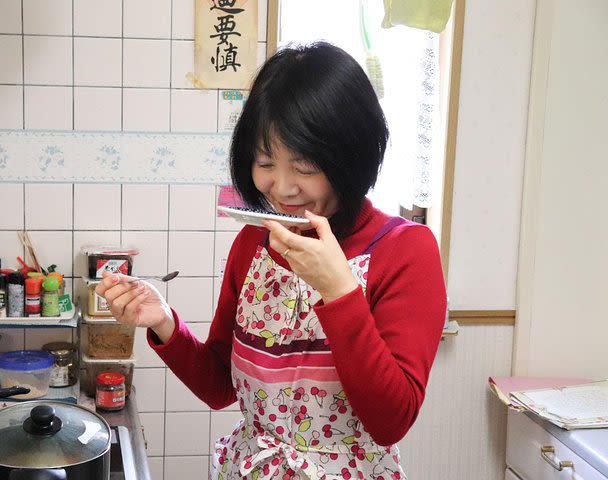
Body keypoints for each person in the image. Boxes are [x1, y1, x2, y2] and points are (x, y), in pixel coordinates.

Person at [96, 42, 446, 480]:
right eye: (265, 162)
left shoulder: (405, 249)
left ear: (352, 155)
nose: (281, 188)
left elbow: (391, 420)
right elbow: (221, 388)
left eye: (304, 166)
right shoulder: (252, 244)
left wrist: (338, 291)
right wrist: (164, 321)